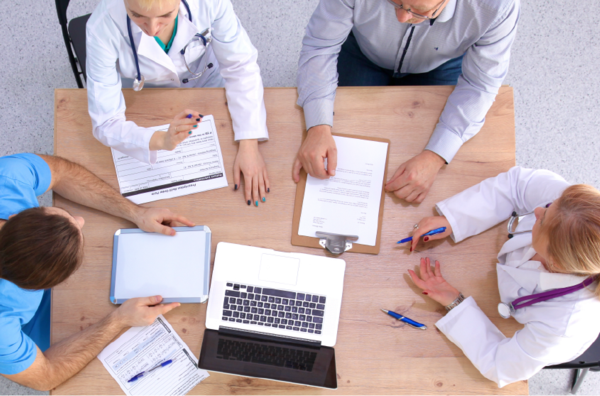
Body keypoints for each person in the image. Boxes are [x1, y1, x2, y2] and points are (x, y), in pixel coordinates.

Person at [0, 153, 193, 390]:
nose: (80, 219)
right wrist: (118, 320)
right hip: (29, 334)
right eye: (72, 219)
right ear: (37, 286)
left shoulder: (8, 177)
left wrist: (135, 213)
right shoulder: (3, 330)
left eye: (70, 218)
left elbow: (62, 171)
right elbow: (46, 375)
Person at [294, 0, 520, 203]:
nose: (401, 18)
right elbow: (320, 46)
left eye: (420, 11)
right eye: (394, 1)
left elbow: (479, 85)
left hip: (440, 63)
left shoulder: (498, 6)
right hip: (363, 52)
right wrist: (317, 127)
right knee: (345, 137)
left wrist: (436, 156)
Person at [406, 166, 600, 387]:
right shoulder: (572, 209)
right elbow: (517, 184)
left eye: (543, 219)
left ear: (555, 261)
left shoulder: (565, 326)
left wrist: (455, 302)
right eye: (548, 206)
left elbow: (500, 365)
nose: (537, 210)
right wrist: (454, 219)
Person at [86, 0, 270, 206]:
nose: (152, 29)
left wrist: (249, 142)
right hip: (148, 98)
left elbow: (240, 66)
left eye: (165, 15)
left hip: (205, 81)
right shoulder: (102, 26)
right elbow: (106, 122)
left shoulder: (209, 3)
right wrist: (160, 140)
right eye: (137, 15)